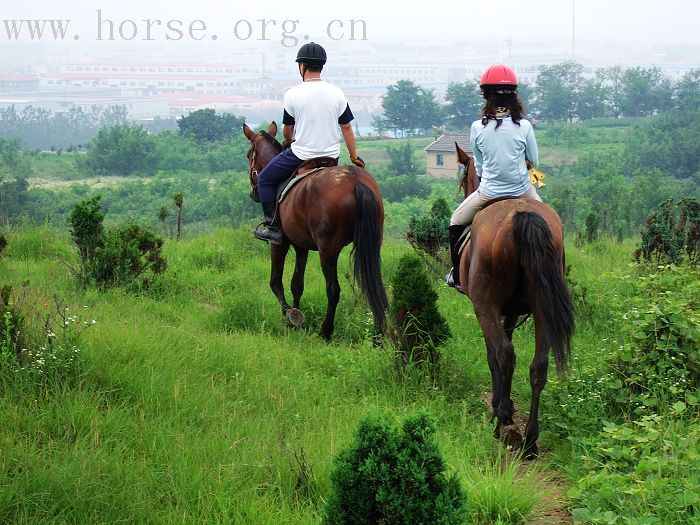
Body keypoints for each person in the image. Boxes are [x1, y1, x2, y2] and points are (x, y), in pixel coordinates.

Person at [253, 42, 365, 244]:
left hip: (301, 155)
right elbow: (347, 127)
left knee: (264, 180)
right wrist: (354, 157)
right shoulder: (337, 92)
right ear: (322, 66)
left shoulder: (293, 94)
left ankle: (274, 227)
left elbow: (288, 128)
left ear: (302, 66)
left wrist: (288, 139)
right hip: (331, 156)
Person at [446, 64, 542, 291]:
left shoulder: (477, 127)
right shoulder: (525, 126)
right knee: (549, 223)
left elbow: (478, 165)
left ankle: (457, 276)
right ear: (514, 97)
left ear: (486, 96)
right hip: (523, 191)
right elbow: (535, 161)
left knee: (455, 222)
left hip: (489, 192)